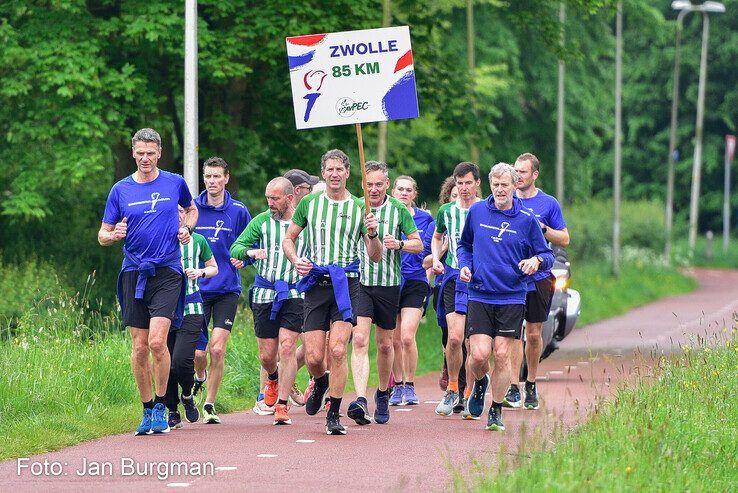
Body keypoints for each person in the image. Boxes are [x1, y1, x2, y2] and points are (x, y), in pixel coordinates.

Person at [98, 127, 197, 435]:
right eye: (139, 153)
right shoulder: (120, 190)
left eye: (150, 153)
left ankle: (161, 404)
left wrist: (188, 228)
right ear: (133, 153)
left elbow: (191, 210)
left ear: (159, 153)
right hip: (134, 272)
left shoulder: (174, 182)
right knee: (140, 347)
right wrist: (112, 236)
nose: (145, 158)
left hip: (167, 270)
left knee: (157, 342)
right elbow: (102, 234)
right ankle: (145, 410)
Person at [283, 149, 382, 435]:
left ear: (348, 172)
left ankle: (334, 413)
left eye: (340, 169)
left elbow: (374, 256)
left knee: (338, 349)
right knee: (314, 357)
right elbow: (289, 238)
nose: (335, 174)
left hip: (347, 284)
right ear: (323, 173)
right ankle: (321, 381)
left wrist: (373, 234)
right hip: (315, 283)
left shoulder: (360, 208)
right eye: (330, 170)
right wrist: (295, 259)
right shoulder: (310, 204)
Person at [458, 163, 553, 431]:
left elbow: (547, 255)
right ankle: (479, 383)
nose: (500, 190)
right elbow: (464, 245)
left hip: (512, 296)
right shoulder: (477, 212)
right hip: (480, 292)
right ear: (490, 186)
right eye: (496, 185)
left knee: (501, 355)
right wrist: (465, 265)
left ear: (514, 186)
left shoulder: (526, 219)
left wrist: (535, 261)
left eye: (505, 185)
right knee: (478, 355)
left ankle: (496, 409)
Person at [348, 163, 422, 425]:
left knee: (385, 344)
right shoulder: (355, 206)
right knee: (359, 339)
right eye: (369, 185)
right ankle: (360, 399)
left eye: (379, 184)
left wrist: (400, 244)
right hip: (361, 282)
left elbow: (418, 243)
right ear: (363, 186)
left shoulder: (399, 209)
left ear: (387, 185)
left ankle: (382, 391)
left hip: (389, 284)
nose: (374, 189)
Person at [230, 177, 306, 425]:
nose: (270, 203)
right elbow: (236, 248)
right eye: (268, 198)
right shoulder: (262, 221)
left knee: (287, 348)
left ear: (290, 198)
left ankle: (282, 405)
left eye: (275, 199)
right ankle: (272, 378)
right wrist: (250, 252)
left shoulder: (303, 222)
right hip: (265, 293)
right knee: (267, 356)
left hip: (295, 292)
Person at [504, 153, 570, 410]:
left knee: (532, 334)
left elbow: (564, 239)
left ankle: (530, 381)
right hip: (509, 276)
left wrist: (544, 230)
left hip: (540, 276)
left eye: (522, 172)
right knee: (510, 335)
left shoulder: (548, 203)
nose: (518, 176)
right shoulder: (506, 201)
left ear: (534, 175)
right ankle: (512, 385)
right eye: (515, 171)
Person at [192, 157, 252, 424]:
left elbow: (248, 244)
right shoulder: (192, 207)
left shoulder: (238, 211)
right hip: (197, 287)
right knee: (198, 353)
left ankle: (209, 404)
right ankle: (199, 377)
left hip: (227, 288)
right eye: (208, 176)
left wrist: (245, 259)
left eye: (217, 176)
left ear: (227, 178)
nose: (212, 181)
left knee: (217, 350)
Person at [431, 162, 482, 416]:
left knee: (474, 344)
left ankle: (470, 393)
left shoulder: (486, 209)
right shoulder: (446, 211)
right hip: (452, 277)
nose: (463, 188)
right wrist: (436, 258)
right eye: (459, 184)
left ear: (477, 184)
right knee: (454, 338)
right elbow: (438, 235)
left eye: (468, 183)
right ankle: (452, 387)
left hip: (479, 281)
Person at [166, 206, 218, 429]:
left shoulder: (199, 241)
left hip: (192, 305)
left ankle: (187, 394)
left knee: (181, 360)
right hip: (165, 308)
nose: (178, 215)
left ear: (186, 215)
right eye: (173, 211)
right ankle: (171, 410)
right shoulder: (160, 240)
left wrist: (200, 273)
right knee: (165, 363)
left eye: (181, 211)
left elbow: (214, 267)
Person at [389, 175, 434, 406]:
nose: (404, 193)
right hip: (391, 280)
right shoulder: (386, 215)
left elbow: (436, 246)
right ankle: (397, 386)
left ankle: (410, 384)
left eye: (408, 190)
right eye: (400, 189)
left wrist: (432, 262)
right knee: (395, 339)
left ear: (414, 194)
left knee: (407, 336)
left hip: (416, 280)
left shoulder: (427, 219)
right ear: (393, 191)